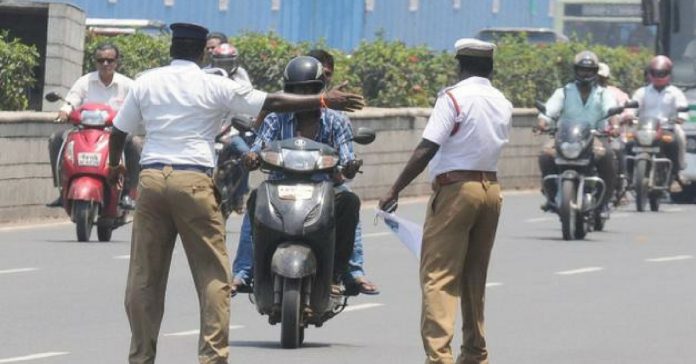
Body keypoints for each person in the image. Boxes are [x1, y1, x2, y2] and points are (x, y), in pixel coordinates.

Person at [107, 23, 364, 364]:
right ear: (203, 53)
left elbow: (118, 130)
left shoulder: (145, 82)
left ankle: (140, 357)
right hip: (193, 180)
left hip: (152, 180)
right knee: (213, 276)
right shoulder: (214, 84)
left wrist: (114, 167)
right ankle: (212, 357)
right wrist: (321, 98)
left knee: (144, 278)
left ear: (172, 50)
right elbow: (271, 101)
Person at [378, 38, 512, 364]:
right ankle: (475, 353)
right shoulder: (502, 101)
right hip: (490, 189)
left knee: (438, 276)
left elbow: (428, 147)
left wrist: (394, 189)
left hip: (455, 190)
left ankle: (439, 357)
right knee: (474, 275)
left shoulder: (453, 98)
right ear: (490, 67)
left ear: (459, 65)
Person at [229, 49, 380, 296]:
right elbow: (258, 146)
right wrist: (251, 156)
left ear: (320, 87)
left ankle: (346, 272)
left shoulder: (336, 120)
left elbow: (347, 155)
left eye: (309, 90)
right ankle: (244, 273)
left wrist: (350, 165)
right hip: (280, 187)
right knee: (256, 200)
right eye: (297, 90)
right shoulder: (276, 119)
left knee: (350, 201)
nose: (303, 96)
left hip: (324, 187)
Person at [46, 43, 141, 209]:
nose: (105, 64)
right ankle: (62, 189)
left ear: (116, 62)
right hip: (84, 131)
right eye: (101, 60)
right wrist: (64, 111)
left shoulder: (128, 85)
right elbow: (72, 99)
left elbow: (138, 105)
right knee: (55, 139)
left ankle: (127, 192)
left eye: (110, 60)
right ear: (96, 62)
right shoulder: (85, 81)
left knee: (135, 144)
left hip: (115, 133)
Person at [537, 50, 618, 214]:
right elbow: (549, 111)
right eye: (582, 69)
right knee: (545, 155)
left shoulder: (603, 94)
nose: (585, 73)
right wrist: (542, 123)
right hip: (565, 138)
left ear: (595, 72)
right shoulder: (564, 92)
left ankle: (604, 201)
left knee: (608, 155)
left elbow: (611, 111)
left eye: (589, 70)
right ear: (576, 70)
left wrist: (614, 126)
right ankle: (552, 196)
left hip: (594, 138)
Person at [630, 55, 689, 192]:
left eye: (662, 73)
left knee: (678, 138)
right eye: (655, 73)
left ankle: (676, 174)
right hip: (644, 129)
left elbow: (682, 108)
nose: (658, 76)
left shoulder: (675, 93)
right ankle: (625, 176)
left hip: (666, 129)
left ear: (669, 74)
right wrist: (628, 114)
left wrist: (680, 117)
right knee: (626, 143)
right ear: (649, 73)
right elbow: (632, 107)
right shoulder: (642, 92)